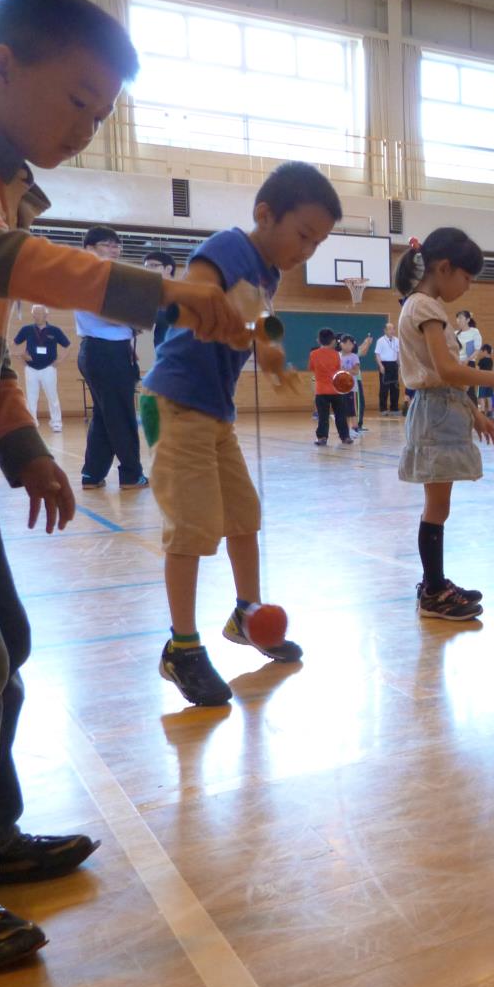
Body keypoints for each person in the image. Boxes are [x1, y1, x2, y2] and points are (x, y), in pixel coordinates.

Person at [0, 0, 238, 978]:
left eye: (103, 113)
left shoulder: (4, 183)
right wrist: (157, 290)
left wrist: (21, 448)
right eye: (77, 100)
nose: (87, 127)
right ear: (3, 66)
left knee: (3, 648)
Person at [143, 161, 339, 706]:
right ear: (264, 214)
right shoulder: (231, 247)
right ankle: (181, 647)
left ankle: (247, 614)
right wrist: (218, 313)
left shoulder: (267, 273)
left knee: (242, 518)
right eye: (303, 235)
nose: (307, 251)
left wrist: (270, 350)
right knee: (192, 528)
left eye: (318, 243)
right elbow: (197, 292)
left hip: (215, 413)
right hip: (174, 403)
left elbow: (257, 317)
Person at [395, 229, 494, 619]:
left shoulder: (423, 306)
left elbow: (442, 375)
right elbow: (447, 369)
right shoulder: (425, 307)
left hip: (443, 408)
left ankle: (435, 582)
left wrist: (475, 412)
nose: (468, 287)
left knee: (438, 506)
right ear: (444, 268)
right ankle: (433, 591)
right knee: (436, 506)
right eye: (467, 277)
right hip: (435, 413)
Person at [75, 225, 149, 490]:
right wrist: (134, 319)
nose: (114, 249)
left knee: (105, 416)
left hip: (109, 351)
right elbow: (102, 312)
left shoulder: (107, 276)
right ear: (89, 249)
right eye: (107, 244)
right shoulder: (88, 275)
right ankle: (131, 474)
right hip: (103, 352)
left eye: (117, 245)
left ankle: (92, 474)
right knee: (121, 415)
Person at [13, 304, 70, 432]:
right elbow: (14, 345)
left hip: (48, 368)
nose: (37, 316)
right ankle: (32, 422)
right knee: (31, 397)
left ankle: (56, 423)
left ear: (46, 314)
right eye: (35, 313)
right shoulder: (26, 330)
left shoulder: (55, 331)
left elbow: (67, 346)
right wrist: (22, 356)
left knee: (52, 396)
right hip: (31, 369)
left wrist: (59, 360)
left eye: (39, 313)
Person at [310, 328, 350, 445]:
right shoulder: (336, 354)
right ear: (332, 341)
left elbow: (312, 368)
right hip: (336, 390)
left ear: (319, 341)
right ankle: (345, 437)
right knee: (340, 415)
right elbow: (339, 369)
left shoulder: (313, 354)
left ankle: (322, 438)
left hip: (321, 391)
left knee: (323, 416)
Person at [142, 250, 178, 348]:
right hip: (162, 349)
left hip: (182, 350)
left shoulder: (181, 291)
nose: (148, 270)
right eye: (146, 267)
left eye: (153, 266)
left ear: (168, 269)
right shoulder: (154, 293)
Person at [376, 320, 401, 415]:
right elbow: (377, 354)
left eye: (393, 328)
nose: (391, 330)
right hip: (384, 365)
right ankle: (383, 409)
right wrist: (380, 365)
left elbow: (398, 353)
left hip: (394, 364)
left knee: (395, 387)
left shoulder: (397, 340)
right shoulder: (380, 341)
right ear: (385, 330)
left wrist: (399, 366)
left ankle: (394, 408)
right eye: (389, 329)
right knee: (384, 388)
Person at [477, 343, 494, 415]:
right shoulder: (491, 360)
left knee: (481, 396)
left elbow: (477, 369)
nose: (481, 353)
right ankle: (490, 411)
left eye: (482, 351)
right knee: (489, 396)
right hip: (489, 379)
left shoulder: (481, 360)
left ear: (485, 351)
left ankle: (482, 410)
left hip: (482, 379)